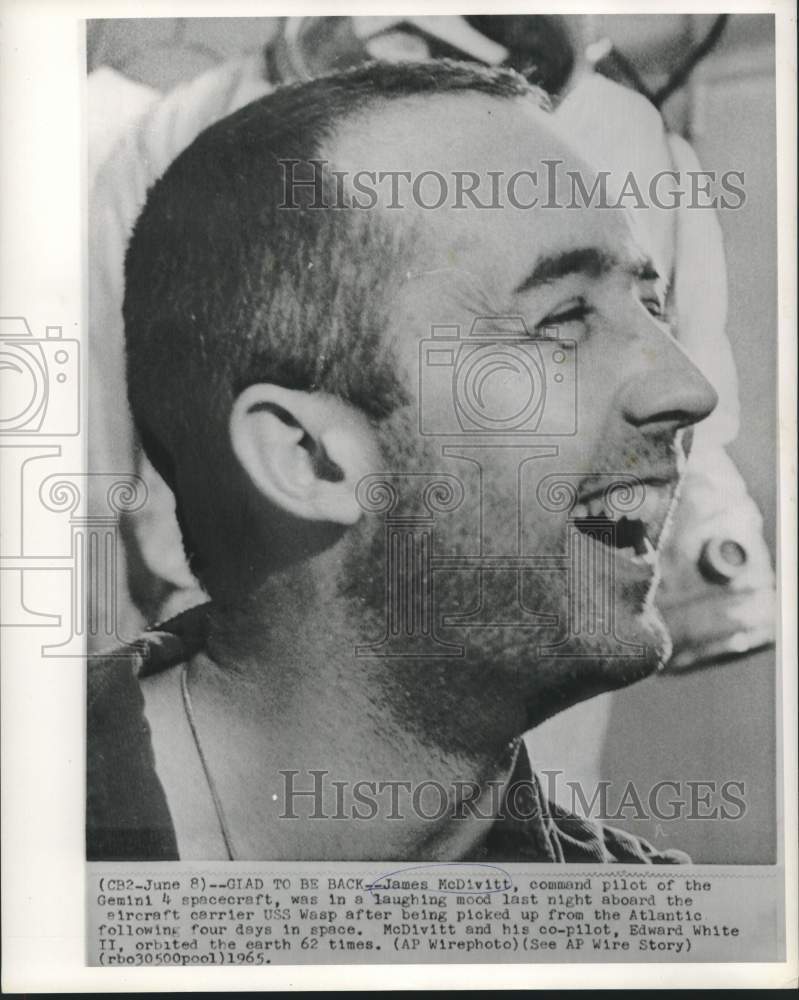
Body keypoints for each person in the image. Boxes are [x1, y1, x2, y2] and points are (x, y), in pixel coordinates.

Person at [87, 60, 719, 862]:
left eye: (651, 307)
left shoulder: (650, 938)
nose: (687, 388)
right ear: (308, 457)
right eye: (561, 318)